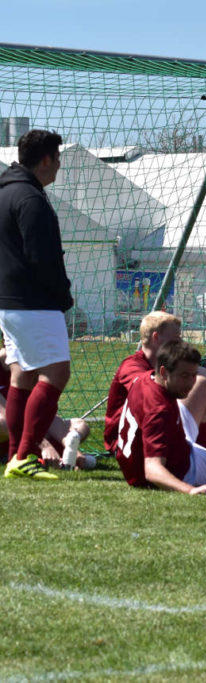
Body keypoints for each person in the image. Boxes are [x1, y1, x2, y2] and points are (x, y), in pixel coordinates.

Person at [0, 130, 73, 480]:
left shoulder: (5, 192)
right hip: (33, 302)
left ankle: (17, 455)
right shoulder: (30, 198)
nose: (59, 165)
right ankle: (24, 454)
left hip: (10, 302)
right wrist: (62, 294)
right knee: (57, 372)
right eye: (57, 158)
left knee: (23, 374)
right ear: (45, 159)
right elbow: (41, 257)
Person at [112, 340, 206, 494]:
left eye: (193, 375)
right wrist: (190, 490)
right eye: (185, 376)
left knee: (203, 383)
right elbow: (152, 469)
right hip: (180, 467)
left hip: (148, 460)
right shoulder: (157, 408)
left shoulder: (147, 378)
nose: (190, 382)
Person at [104, 311, 206, 456]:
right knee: (194, 386)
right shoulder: (132, 366)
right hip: (129, 444)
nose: (181, 343)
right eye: (176, 338)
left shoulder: (174, 364)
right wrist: (201, 413)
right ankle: (203, 452)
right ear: (156, 337)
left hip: (165, 431)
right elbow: (153, 399)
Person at [0, 347, 92, 469]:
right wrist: (43, 445)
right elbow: (6, 420)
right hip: (8, 435)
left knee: (80, 425)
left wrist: (68, 446)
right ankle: (29, 453)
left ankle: (67, 452)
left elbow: (39, 413)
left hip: (28, 432)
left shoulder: (29, 368)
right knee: (3, 423)